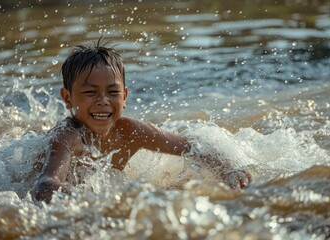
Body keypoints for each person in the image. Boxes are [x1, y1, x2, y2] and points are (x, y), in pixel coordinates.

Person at [34, 39, 252, 203]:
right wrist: (79, 202)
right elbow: (46, 183)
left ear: (125, 96)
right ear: (67, 98)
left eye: (112, 92)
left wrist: (228, 170)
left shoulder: (131, 131)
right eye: (90, 92)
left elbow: (193, 146)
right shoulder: (67, 137)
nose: (103, 101)